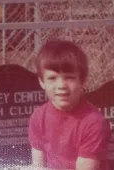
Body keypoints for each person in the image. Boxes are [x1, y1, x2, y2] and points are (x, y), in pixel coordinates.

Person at [28, 40, 110, 170]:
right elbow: (38, 165)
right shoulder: (38, 117)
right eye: (52, 78)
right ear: (41, 81)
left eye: (69, 78)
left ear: (82, 80)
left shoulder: (93, 121)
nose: (61, 86)